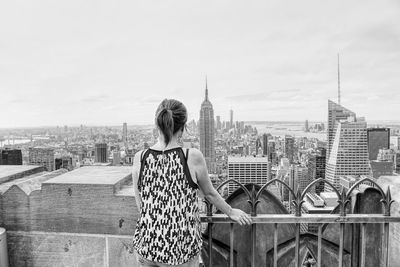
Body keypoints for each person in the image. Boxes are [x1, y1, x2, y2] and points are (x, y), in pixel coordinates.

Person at [132, 99, 252, 267]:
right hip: (180, 250)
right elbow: (209, 193)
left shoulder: (140, 158)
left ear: (157, 124)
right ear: (183, 128)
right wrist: (230, 211)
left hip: (147, 246)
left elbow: (141, 205)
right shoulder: (191, 156)